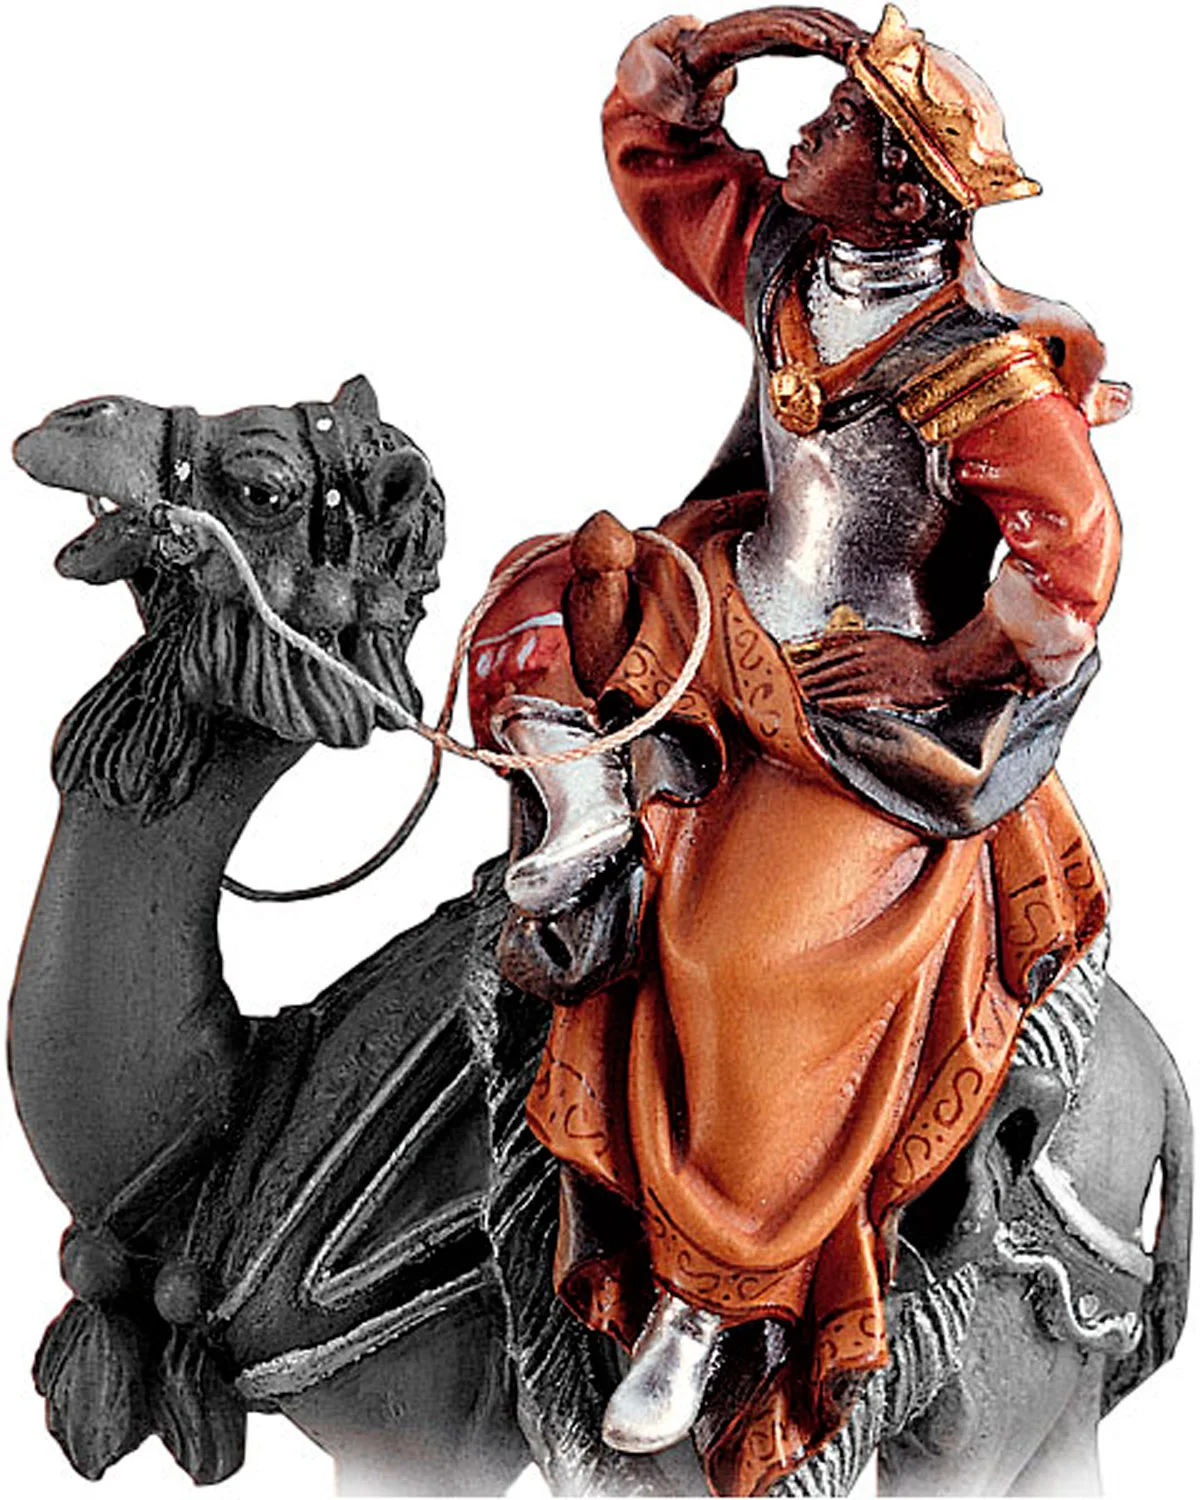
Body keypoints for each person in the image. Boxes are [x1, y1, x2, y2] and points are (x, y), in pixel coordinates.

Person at [468, 7, 1124, 1494]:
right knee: (538, 600)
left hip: (857, 711)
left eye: (832, 128)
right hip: (731, 611)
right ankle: (590, 805)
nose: (800, 137)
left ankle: (712, 1301)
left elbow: (1075, 564)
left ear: (900, 188)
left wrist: (940, 665)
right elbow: (661, 158)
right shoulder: (787, 261)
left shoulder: (978, 372)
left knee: (747, 958)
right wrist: (736, 43)